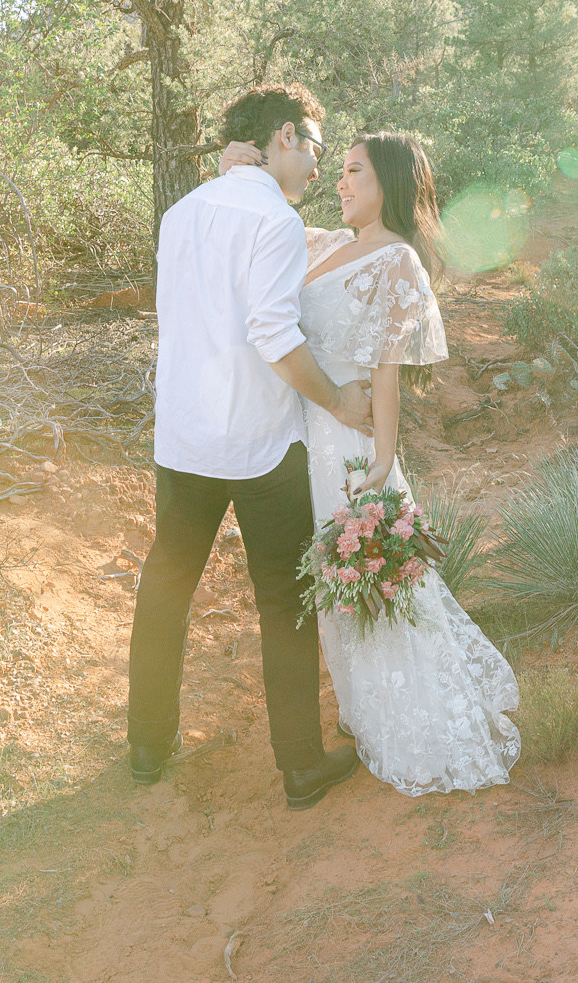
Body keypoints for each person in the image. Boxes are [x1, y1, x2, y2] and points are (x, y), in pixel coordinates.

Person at [219, 131, 520, 795]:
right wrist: (245, 169)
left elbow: (385, 367)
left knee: (379, 586)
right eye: (343, 170)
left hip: (349, 444)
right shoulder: (329, 244)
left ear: (388, 181)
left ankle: (414, 724)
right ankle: (365, 711)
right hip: (300, 436)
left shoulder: (398, 260)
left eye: (356, 171)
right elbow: (269, 233)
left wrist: (382, 460)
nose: (343, 181)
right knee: (336, 591)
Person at [127, 83, 373, 810]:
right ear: (287, 136)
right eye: (317, 150)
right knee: (284, 603)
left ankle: (147, 746)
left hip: (182, 436)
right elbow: (273, 333)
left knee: (166, 588)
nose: (319, 170)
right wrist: (336, 399)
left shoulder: (181, 212)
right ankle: (299, 764)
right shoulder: (271, 218)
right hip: (262, 446)